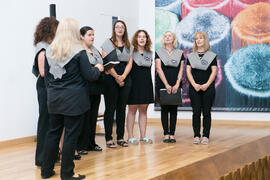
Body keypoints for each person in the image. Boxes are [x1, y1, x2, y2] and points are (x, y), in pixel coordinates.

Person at [41, 18, 103, 180]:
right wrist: (98, 68)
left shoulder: (49, 50)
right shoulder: (78, 51)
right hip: (74, 100)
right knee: (70, 135)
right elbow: (90, 76)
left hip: (54, 98)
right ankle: (67, 173)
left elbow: (47, 78)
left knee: (53, 133)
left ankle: (46, 170)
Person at [101, 20, 132, 148]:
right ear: (114, 29)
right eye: (117, 27)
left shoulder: (129, 45)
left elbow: (130, 62)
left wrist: (123, 76)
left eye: (122, 27)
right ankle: (109, 138)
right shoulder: (107, 43)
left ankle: (120, 137)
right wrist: (116, 77)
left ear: (125, 30)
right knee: (110, 108)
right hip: (110, 77)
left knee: (122, 108)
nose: (120, 29)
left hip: (125, 76)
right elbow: (107, 62)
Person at [32, 16, 59, 166]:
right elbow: (43, 72)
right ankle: (42, 158)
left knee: (51, 123)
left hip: (50, 87)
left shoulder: (48, 46)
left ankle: (51, 156)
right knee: (45, 122)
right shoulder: (42, 48)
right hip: (45, 87)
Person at [186, 32, 217, 145]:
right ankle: (196, 135)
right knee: (196, 112)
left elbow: (214, 71)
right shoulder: (191, 56)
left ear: (205, 40)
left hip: (207, 88)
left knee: (207, 112)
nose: (198, 40)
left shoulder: (211, 55)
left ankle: (205, 135)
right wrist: (194, 84)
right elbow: (188, 71)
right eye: (196, 39)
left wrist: (207, 84)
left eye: (200, 38)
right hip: (194, 88)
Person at [77, 26, 103, 154]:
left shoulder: (94, 49)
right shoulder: (80, 51)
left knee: (93, 117)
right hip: (85, 87)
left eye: (93, 34)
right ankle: (81, 145)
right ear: (82, 36)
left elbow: (101, 63)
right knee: (84, 118)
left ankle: (91, 143)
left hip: (96, 87)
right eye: (89, 35)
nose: (92, 37)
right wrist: (97, 67)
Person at [155, 31, 185, 143]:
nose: (167, 38)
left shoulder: (179, 53)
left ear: (173, 39)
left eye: (170, 36)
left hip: (176, 83)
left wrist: (177, 84)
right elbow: (158, 68)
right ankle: (165, 134)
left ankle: (172, 134)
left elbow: (181, 69)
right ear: (164, 39)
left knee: (173, 109)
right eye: (165, 36)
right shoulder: (159, 52)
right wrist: (166, 84)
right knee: (164, 108)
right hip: (163, 83)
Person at [126, 30, 154, 144]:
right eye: (139, 37)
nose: (142, 39)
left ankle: (143, 136)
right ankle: (130, 136)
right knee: (132, 110)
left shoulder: (150, 53)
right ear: (136, 39)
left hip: (146, 84)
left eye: (144, 37)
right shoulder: (130, 52)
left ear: (147, 39)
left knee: (143, 110)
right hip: (133, 84)